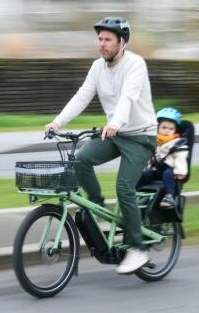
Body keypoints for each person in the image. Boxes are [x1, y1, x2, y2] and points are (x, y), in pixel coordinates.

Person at [45, 16, 157, 275]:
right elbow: (82, 96)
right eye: (100, 39)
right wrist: (57, 122)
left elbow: (128, 97)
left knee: (124, 188)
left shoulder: (135, 64)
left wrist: (116, 122)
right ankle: (98, 209)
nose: (102, 44)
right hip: (116, 133)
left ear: (122, 42)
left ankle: (138, 248)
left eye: (107, 40)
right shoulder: (97, 67)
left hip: (140, 136)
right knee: (79, 161)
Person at [136, 107, 188, 209]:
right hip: (157, 170)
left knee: (168, 174)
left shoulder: (178, 143)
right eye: (164, 128)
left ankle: (169, 197)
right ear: (158, 128)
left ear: (175, 130)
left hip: (171, 169)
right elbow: (150, 156)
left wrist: (180, 172)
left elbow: (181, 158)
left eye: (171, 129)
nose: (167, 131)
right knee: (144, 175)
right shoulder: (155, 141)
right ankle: (132, 193)